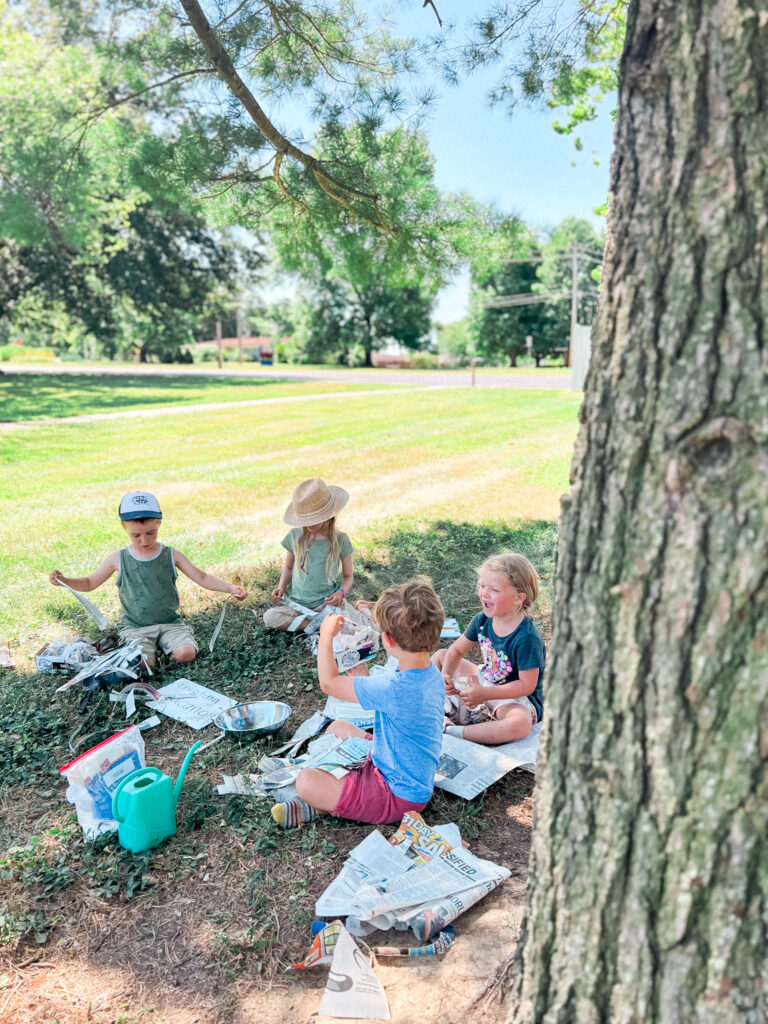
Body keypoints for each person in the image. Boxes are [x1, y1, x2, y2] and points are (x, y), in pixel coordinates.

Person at [271, 581, 446, 829]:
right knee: (339, 727)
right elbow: (391, 702)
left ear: (387, 640)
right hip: (395, 764)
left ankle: (320, 804)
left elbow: (329, 684)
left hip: (397, 797)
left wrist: (325, 636)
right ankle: (330, 798)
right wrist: (361, 675)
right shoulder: (428, 674)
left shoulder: (394, 688)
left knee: (306, 781)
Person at [48, 491, 247, 667]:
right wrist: (66, 580)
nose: (144, 540)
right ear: (124, 527)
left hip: (170, 623)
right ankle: (148, 653)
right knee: (142, 664)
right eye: (136, 535)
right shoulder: (118, 559)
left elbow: (201, 577)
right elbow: (91, 582)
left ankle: (167, 646)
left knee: (186, 654)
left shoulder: (171, 554)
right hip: (135, 628)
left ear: (159, 523)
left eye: (150, 533)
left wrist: (230, 588)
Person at [433, 553, 545, 745]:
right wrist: (445, 677)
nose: (484, 593)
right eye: (482, 586)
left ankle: (452, 731)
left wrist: (485, 694)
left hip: (513, 697)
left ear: (518, 598)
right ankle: (434, 702)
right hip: (486, 678)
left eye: (494, 589)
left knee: (520, 724)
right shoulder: (482, 620)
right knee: (441, 656)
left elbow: (526, 685)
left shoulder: (527, 637)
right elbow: (455, 652)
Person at [263, 477, 354, 631]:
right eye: (304, 519)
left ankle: (322, 623)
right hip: (298, 605)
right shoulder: (295, 535)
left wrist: (341, 593)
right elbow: (288, 567)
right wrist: (281, 587)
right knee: (270, 617)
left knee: (349, 621)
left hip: (326, 603)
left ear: (328, 515)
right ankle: (321, 627)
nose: (308, 524)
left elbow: (348, 576)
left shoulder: (340, 539)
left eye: (313, 519)